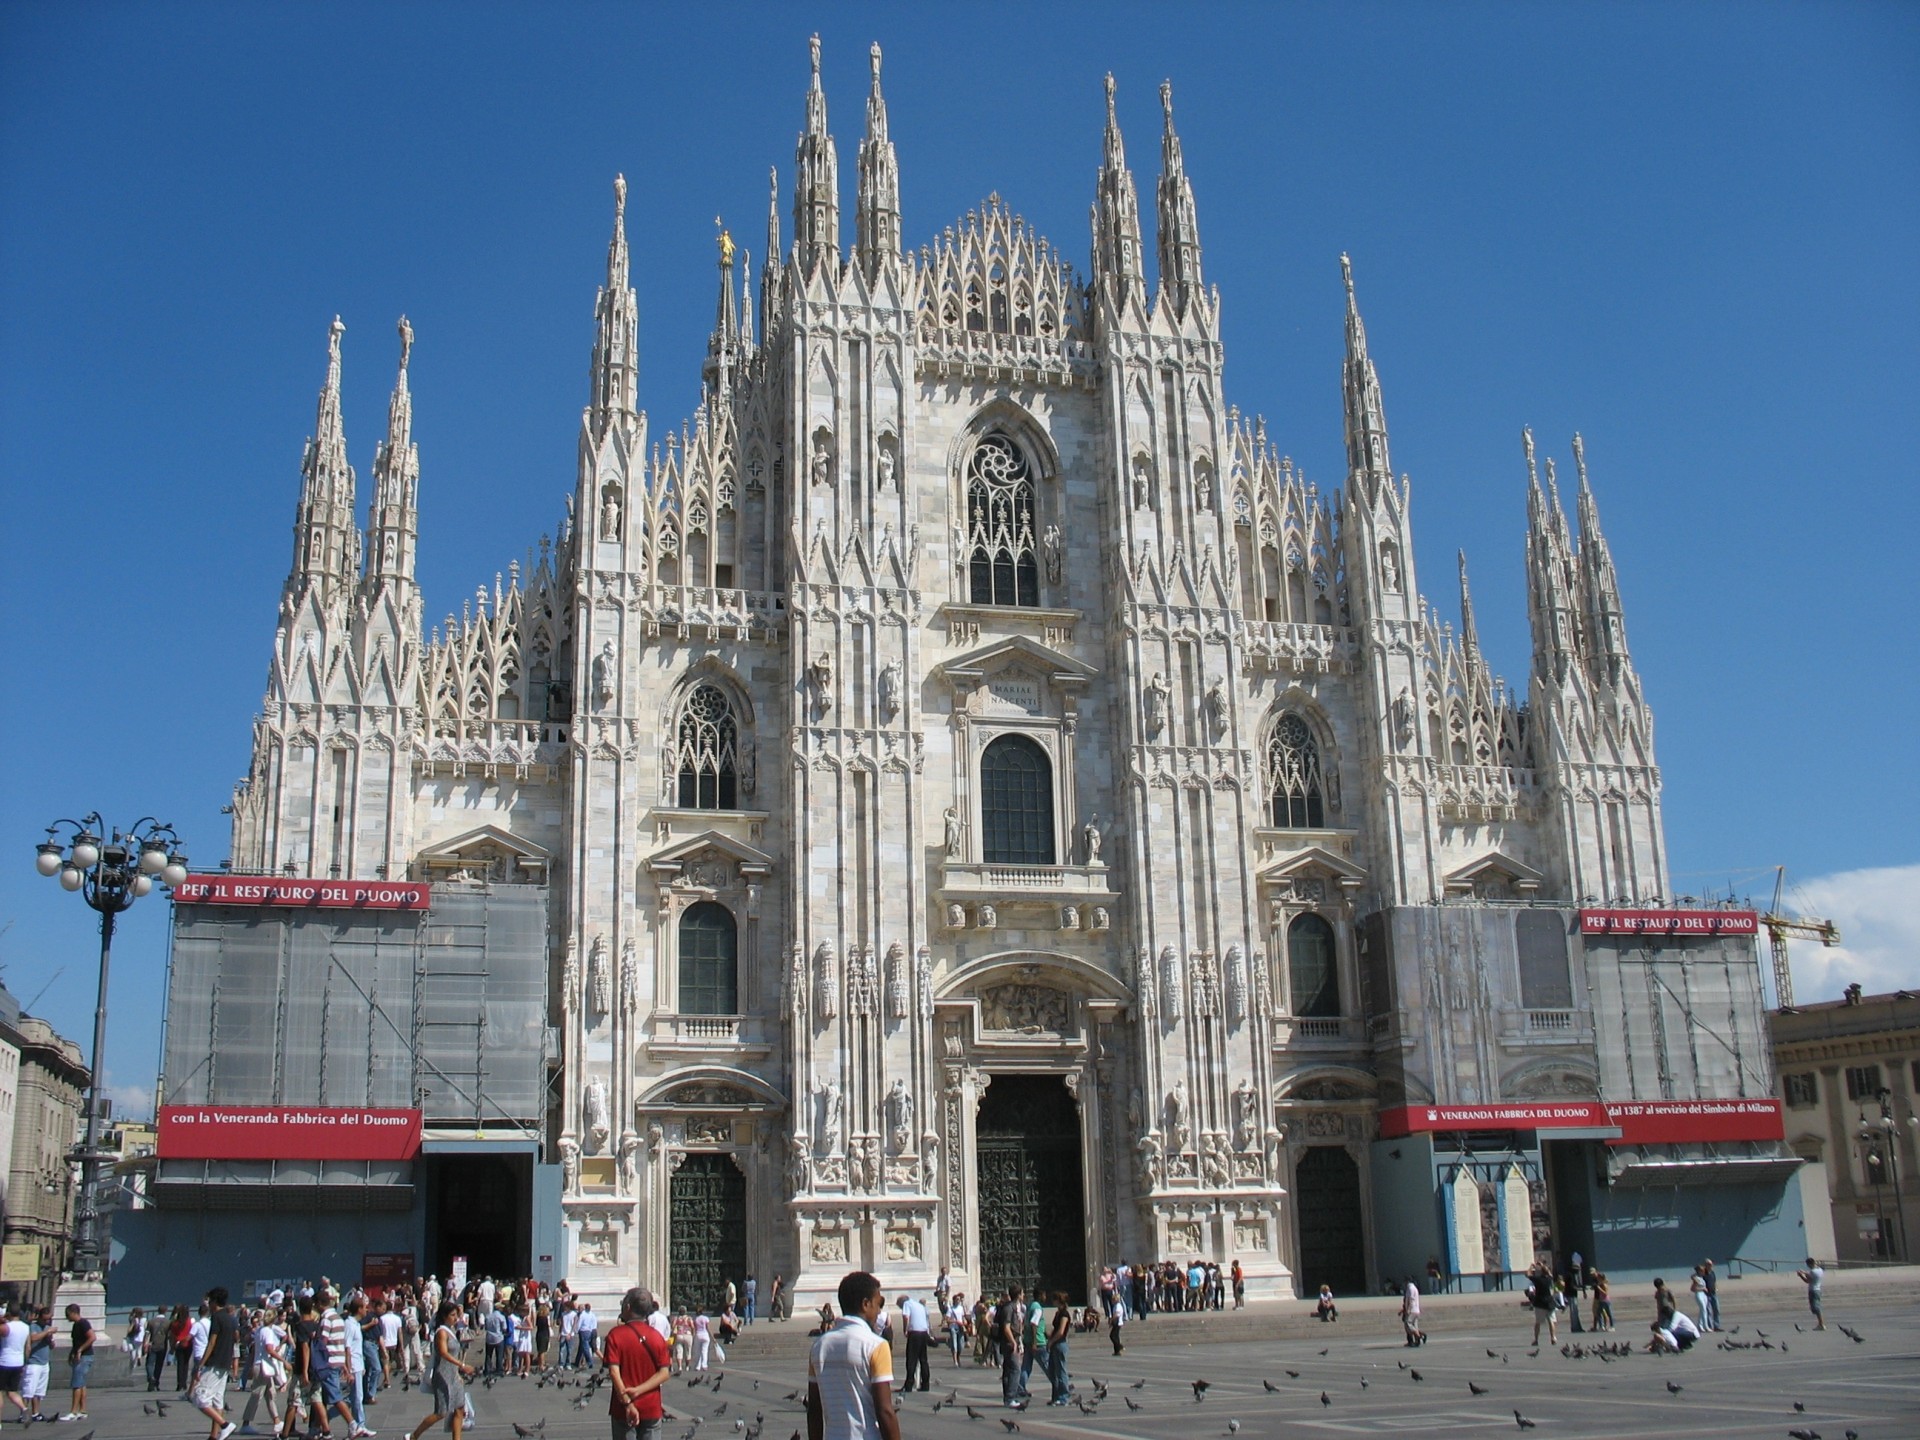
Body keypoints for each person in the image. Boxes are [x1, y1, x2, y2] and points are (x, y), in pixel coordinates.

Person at [804, 1272, 900, 1440]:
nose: (879, 1311)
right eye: (879, 1304)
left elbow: (814, 1409)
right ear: (866, 1304)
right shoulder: (876, 1345)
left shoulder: (819, 1346)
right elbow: (885, 1410)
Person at [602, 1288, 671, 1440]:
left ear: (627, 1307)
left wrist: (627, 1402)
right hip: (651, 1406)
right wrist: (639, 1390)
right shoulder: (657, 1337)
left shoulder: (615, 1335)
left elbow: (614, 1372)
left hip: (622, 1408)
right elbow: (664, 1373)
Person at [405, 1302, 473, 1440]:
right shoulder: (441, 1332)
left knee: (459, 1408)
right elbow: (443, 1352)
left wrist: (458, 1372)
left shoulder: (451, 1330)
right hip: (442, 1375)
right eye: (452, 1315)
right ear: (444, 1316)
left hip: (453, 1375)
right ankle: (414, 1436)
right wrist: (462, 1365)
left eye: (456, 1315)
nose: (455, 1318)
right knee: (441, 1412)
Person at [192, 1286, 240, 1440]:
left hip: (215, 1363)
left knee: (199, 1398)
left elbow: (212, 1343)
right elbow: (235, 1338)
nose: (208, 1304)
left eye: (209, 1300)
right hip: (225, 1363)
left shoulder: (217, 1317)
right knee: (217, 1401)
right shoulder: (231, 1318)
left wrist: (200, 1365)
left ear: (214, 1301)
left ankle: (225, 1425)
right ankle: (214, 1436)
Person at [58, 1302, 92, 1422]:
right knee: (81, 1383)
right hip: (82, 1356)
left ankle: (73, 1411)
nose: (67, 1317)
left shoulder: (83, 1323)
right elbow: (76, 1342)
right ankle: (82, 1410)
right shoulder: (77, 1325)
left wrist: (80, 1350)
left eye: (68, 1315)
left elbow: (92, 1337)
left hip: (83, 1357)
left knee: (76, 1384)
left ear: (73, 1313)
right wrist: (72, 1353)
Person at [0, 1303, 32, 1425]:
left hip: (4, 1362)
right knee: (12, 1391)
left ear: (8, 1313)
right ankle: (24, 1408)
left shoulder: (6, 1327)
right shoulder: (26, 1327)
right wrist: (25, 1362)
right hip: (18, 1362)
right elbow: (28, 1347)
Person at [994, 1286, 1026, 1407]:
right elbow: (1006, 1327)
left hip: (1014, 1340)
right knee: (1015, 1369)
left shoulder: (1015, 1308)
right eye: (1022, 1293)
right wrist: (1013, 1342)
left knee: (1008, 1370)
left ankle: (1008, 1397)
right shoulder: (1009, 1308)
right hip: (1010, 1342)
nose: (1023, 1295)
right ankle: (1010, 1397)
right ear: (1018, 1295)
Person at [23, 1306, 56, 1422]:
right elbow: (33, 1338)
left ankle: (35, 1413)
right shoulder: (33, 1326)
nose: (47, 1322)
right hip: (34, 1362)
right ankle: (23, 1413)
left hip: (44, 1362)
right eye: (45, 1319)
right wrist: (46, 1332)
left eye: (49, 1319)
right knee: (28, 1390)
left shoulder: (47, 1328)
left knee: (39, 1391)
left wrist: (51, 1341)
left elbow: (49, 1343)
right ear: (40, 1318)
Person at [897, 1294, 930, 1395]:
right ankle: (925, 1384)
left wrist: (905, 1329)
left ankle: (909, 1384)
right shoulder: (919, 1305)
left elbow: (906, 1317)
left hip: (914, 1333)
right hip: (923, 1332)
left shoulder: (907, 1304)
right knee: (923, 1360)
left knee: (911, 1360)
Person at [1043, 1295, 1071, 1408]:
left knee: (1061, 1372)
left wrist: (1051, 1341)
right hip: (1055, 1344)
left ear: (1059, 1300)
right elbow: (1055, 1330)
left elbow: (1061, 1331)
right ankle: (1055, 1397)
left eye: (1054, 1299)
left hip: (1060, 1344)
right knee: (1053, 1371)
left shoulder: (1064, 1314)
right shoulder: (1058, 1313)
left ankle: (1063, 1397)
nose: (1052, 1301)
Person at [1526, 1263, 1558, 1347]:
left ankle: (1536, 1340)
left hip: (1540, 1302)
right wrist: (1543, 1265)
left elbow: (1527, 1274)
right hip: (1549, 1302)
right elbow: (1550, 1274)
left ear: (1541, 1272)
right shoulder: (1549, 1279)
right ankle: (1553, 1337)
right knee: (1551, 1321)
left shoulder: (1538, 1279)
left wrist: (1531, 1267)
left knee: (1538, 1323)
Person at [1796, 1257, 1825, 1330]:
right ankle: (1821, 1324)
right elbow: (1811, 1275)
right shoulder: (1820, 1270)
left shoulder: (1812, 1272)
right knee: (1816, 1307)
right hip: (1818, 1289)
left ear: (1809, 1264)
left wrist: (1800, 1275)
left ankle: (1821, 1324)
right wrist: (1805, 1273)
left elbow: (1807, 1281)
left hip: (1813, 1290)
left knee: (1816, 1308)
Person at [944, 1294, 968, 1368]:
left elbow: (963, 1317)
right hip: (953, 1328)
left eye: (959, 1299)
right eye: (957, 1299)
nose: (958, 1301)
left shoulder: (961, 1308)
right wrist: (955, 1321)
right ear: (954, 1300)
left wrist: (964, 1321)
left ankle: (958, 1357)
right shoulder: (951, 1309)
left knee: (960, 1345)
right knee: (954, 1345)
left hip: (960, 1328)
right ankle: (955, 1361)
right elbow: (947, 1319)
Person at [1399, 1278, 1423, 1347]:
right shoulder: (1414, 1288)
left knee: (1408, 1323)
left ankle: (1418, 1335)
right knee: (1415, 1325)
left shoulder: (1410, 1288)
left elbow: (1410, 1300)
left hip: (1412, 1310)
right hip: (1416, 1310)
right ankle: (1416, 1340)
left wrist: (1408, 1309)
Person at [1700, 1258, 1720, 1331]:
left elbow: (1714, 1281)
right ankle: (1710, 1326)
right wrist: (1703, 1289)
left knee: (1716, 1309)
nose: (1710, 1266)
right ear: (1705, 1265)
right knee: (1708, 1311)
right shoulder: (1703, 1273)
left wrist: (1716, 1287)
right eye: (1709, 1264)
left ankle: (1716, 1326)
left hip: (1713, 1293)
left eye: (1711, 1264)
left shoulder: (1712, 1273)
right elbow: (1698, 1281)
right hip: (1706, 1294)